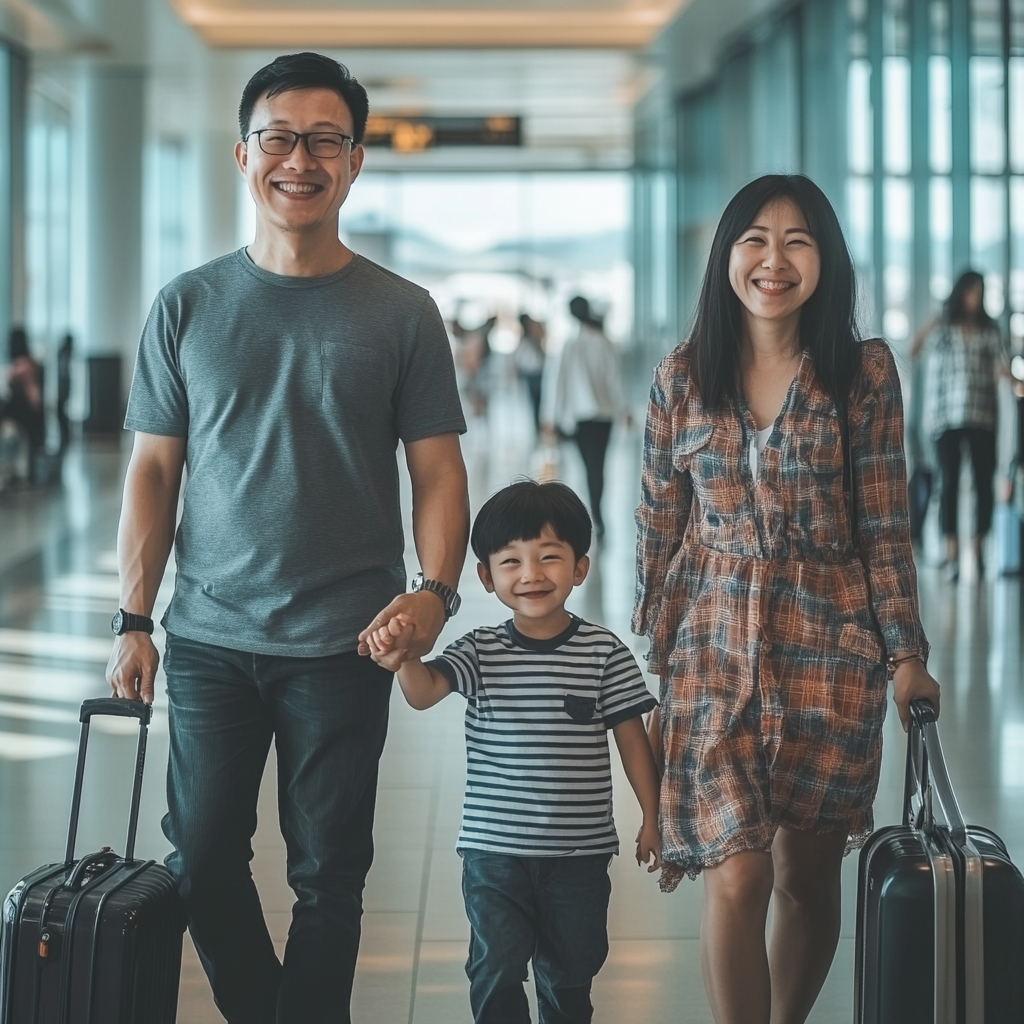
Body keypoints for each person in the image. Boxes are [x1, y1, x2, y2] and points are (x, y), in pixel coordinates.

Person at [105, 52, 469, 1024]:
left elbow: (437, 470)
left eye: (323, 141)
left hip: (349, 639)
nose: (297, 158)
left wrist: (435, 592)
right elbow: (152, 470)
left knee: (329, 876)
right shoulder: (187, 304)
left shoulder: (401, 313)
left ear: (354, 163)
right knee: (203, 855)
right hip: (212, 637)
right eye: (278, 137)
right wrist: (133, 616)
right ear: (242, 154)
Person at [632, 174, 941, 1024]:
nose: (775, 260)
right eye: (756, 240)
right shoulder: (680, 379)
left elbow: (884, 525)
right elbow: (658, 530)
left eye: (798, 241)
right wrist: (656, 672)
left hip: (830, 656)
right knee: (737, 870)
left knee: (805, 878)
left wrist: (906, 656)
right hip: (712, 657)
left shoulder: (863, 374)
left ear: (825, 261)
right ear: (728, 257)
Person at [367, 480, 660, 1024]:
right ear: (487, 576)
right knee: (496, 966)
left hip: (580, 854)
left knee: (573, 969)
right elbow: (426, 692)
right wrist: (405, 656)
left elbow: (631, 737)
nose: (531, 574)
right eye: (511, 561)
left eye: (550, 558)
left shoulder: (604, 653)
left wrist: (652, 814)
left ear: (579, 568)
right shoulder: (479, 649)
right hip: (493, 849)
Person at [911, 270, 1011, 581]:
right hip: (947, 417)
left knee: (983, 484)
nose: (975, 297)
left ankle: (978, 550)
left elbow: (1002, 367)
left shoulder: (989, 330)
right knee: (949, 483)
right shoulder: (944, 326)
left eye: (979, 292)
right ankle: (952, 553)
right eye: (970, 291)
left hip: (982, 416)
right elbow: (914, 350)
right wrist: (936, 315)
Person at [543, 296, 628, 538]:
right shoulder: (604, 342)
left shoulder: (570, 344)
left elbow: (557, 382)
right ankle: (597, 514)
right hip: (604, 417)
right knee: (598, 467)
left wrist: (550, 416)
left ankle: (591, 515)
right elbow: (614, 380)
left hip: (580, 418)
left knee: (586, 467)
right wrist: (623, 410)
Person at [4, 327, 46, 482]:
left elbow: (35, 399)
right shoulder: (21, 365)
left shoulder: (26, 366)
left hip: (26, 414)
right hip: (22, 413)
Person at [515, 313, 546, 431]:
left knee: (541, 402)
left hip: (539, 373)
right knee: (535, 403)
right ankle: (537, 428)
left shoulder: (534, 336)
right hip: (531, 374)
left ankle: (542, 427)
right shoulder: (524, 339)